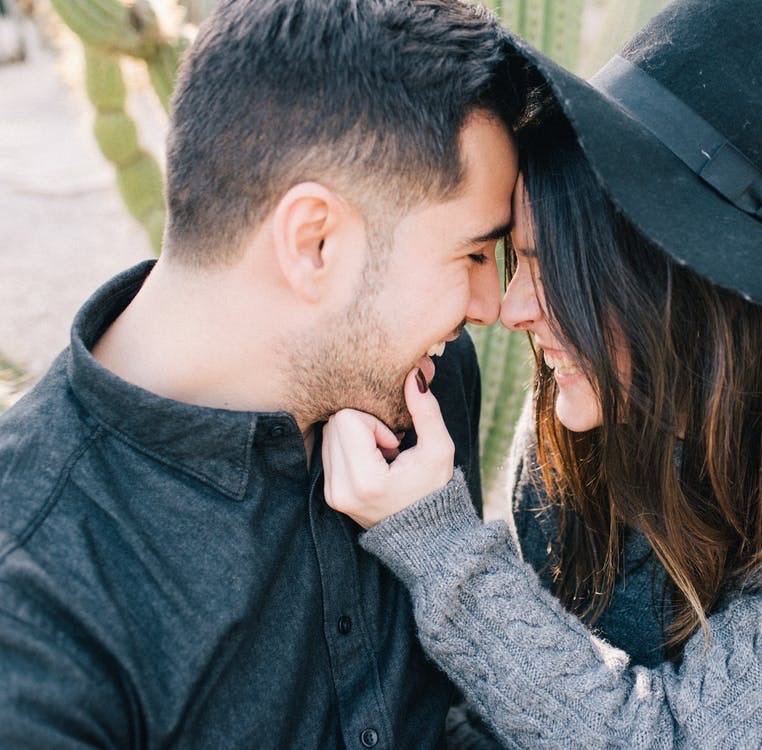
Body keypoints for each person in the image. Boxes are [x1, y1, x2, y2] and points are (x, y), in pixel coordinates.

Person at [321, 0, 762, 747]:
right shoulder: (587, 405)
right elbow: (546, 688)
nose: (509, 309)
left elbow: (670, 738)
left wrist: (436, 542)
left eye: (547, 264)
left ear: (676, 285)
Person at [0, 0, 523, 746]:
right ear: (313, 242)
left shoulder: (426, 391)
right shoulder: (32, 603)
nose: (491, 305)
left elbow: (441, 717)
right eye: (472, 253)